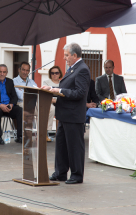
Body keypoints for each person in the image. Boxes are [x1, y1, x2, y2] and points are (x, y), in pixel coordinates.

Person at [42, 43, 90, 184]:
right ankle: (60, 172)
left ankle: (76, 175)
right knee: (61, 145)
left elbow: (80, 93)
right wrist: (52, 88)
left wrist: (59, 91)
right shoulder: (73, 69)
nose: (64, 58)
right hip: (64, 115)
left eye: (66, 55)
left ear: (75, 55)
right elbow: (66, 87)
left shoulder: (82, 69)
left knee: (74, 147)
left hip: (74, 116)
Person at [42, 65, 63, 141]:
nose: (54, 74)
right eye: (52, 73)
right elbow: (46, 96)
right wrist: (56, 100)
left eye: (56, 73)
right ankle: (45, 134)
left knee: (60, 108)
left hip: (60, 102)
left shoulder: (62, 83)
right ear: (50, 74)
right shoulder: (46, 82)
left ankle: (59, 134)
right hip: (48, 102)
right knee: (52, 109)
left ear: (59, 74)